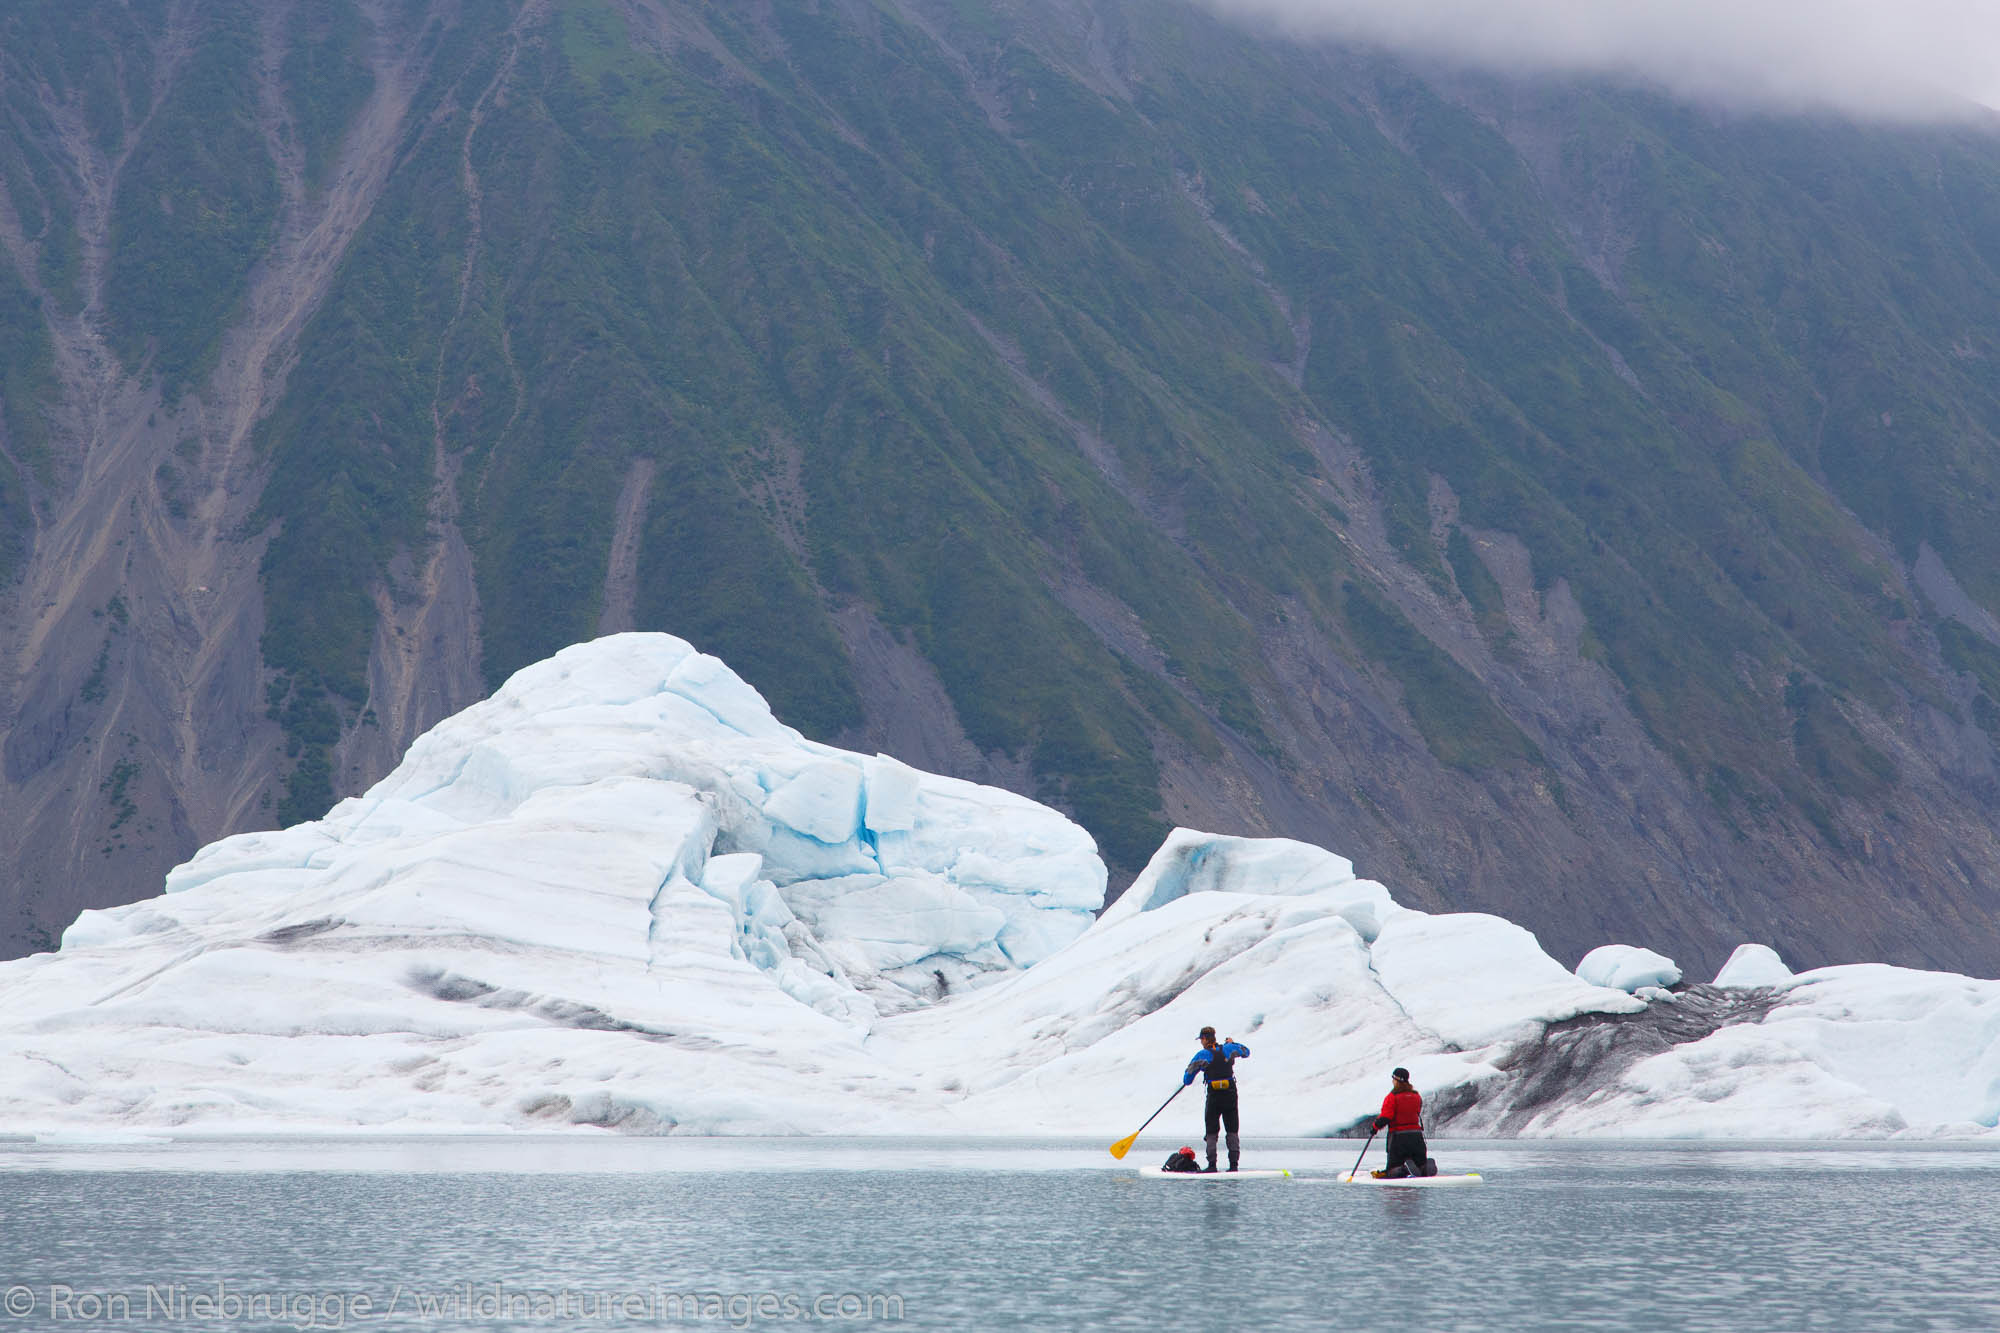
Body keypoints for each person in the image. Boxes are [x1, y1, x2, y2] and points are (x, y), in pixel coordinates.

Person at [1183, 1026, 1250, 1172]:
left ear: (1205, 1039)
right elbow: (1246, 1052)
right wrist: (1233, 1043)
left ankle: (1212, 1166)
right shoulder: (1229, 1048)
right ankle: (1234, 1166)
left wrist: (1200, 1069)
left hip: (1214, 1096)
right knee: (1232, 1130)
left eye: (1201, 1039)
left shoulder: (1202, 1055)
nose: (1201, 1042)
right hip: (1230, 1094)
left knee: (1212, 1131)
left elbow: (1187, 1079)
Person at [1371, 1067, 1434, 1178]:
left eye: (1393, 1079)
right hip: (1416, 1136)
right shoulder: (1416, 1096)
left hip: (1398, 1137)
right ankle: (1424, 1168)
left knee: (1393, 1169)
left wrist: (1375, 1127)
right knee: (1419, 1162)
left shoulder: (1392, 1097)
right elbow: (1416, 1111)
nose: (1392, 1081)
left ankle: (1403, 1170)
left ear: (1396, 1080)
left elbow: (1386, 1116)